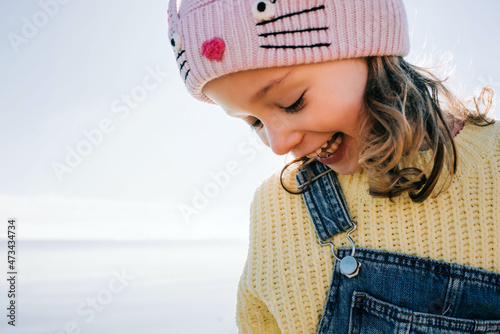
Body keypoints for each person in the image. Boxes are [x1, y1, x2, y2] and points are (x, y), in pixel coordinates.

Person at [168, 0, 500, 333]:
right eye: (254, 122)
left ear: (372, 44)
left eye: (292, 102)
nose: (279, 144)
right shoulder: (277, 208)